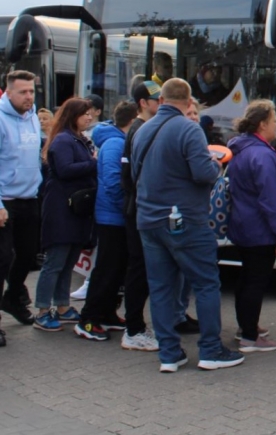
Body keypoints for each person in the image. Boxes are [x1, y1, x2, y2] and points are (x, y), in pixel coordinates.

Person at [131, 78, 242, 372]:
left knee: (161, 288)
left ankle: (169, 354)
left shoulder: (143, 129)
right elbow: (204, 173)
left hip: (148, 220)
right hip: (184, 220)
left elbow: (134, 174)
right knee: (206, 283)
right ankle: (210, 350)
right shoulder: (189, 128)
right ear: (189, 101)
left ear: (163, 99)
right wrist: (216, 163)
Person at [226, 100, 276, 351]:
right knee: (256, 282)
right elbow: (270, 199)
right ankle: (250, 336)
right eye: (273, 120)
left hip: (243, 226)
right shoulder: (262, 155)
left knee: (246, 278)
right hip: (260, 231)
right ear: (262, 125)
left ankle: (245, 326)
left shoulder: (242, 150)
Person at [0, 70, 44, 347]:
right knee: (0, 259)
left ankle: (12, 298)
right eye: (23, 92)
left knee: (28, 256)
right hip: (2, 200)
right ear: (9, 92)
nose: (29, 97)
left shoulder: (32, 116)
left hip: (29, 197)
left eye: (31, 91)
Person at [32, 98, 98, 335]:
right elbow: (64, 169)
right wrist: (94, 164)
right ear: (73, 116)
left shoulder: (77, 138)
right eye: (85, 114)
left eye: (90, 114)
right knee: (55, 262)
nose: (89, 118)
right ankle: (41, 310)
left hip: (75, 210)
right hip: (62, 209)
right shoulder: (63, 140)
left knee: (68, 261)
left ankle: (62, 306)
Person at [78, 100, 138, 341]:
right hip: (112, 217)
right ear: (132, 121)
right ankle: (88, 319)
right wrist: (127, 207)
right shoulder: (115, 144)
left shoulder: (119, 141)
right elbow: (114, 184)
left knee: (116, 269)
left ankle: (107, 313)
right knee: (106, 269)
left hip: (118, 216)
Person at [117, 81, 161, 351]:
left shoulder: (140, 128)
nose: (161, 103)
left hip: (137, 207)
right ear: (143, 103)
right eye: (156, 100)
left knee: (141, 269)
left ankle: (135, 325)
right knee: (138, 269)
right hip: (138, 209)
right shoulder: (140, 129)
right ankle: (133, 329)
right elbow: (131, 177)